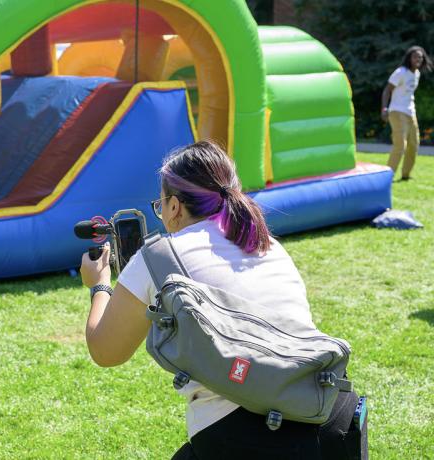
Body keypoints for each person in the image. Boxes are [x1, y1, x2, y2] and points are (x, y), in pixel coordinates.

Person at [79, 141, 359, 459]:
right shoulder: (267, 243)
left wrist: (99, 285)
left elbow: (106, 351)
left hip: (248, 432)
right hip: (330, 408)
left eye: (161, 204)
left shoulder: (158, 254)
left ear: (174, 207)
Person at [381, 45, 433, 180]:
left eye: (420, 57)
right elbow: (387, 90)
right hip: (397, 112)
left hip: (411, 113)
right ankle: (387, 177)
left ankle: (405, 175)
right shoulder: (400, 72)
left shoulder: (416, 74)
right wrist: (384, 108)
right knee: (400, 145)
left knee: (414, 144)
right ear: (409, 58)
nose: (418, 59)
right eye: (415, 57)